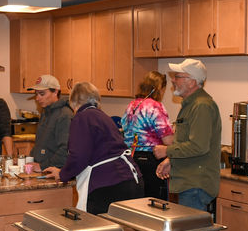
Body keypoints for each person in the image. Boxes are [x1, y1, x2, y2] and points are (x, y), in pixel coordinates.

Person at [44, 81, 144, 215]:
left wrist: (62, 174)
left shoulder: (82, 117)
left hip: (108, 186)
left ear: (73, 101)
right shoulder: (103, 116)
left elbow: (78, 156)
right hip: (131, 180)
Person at [154, 59, 222, 212]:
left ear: (192, 82)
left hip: (195, 185)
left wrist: (167, 151)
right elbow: (187, 141)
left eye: (178, 76)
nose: (173, 80)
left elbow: (198, 146)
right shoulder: (191, 104)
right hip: (189, 183)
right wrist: (171, 160)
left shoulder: (201, 106)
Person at [121, 71, 174, 200]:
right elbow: (168, 140)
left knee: (136, 203)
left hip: (131, 159)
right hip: (152, 161)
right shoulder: (155, 107)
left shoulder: (131, 105)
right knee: (154, 204)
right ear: (159, 89)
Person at [27, 74, 72, 170]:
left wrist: (43, 166)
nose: (37, 98)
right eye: (36, 94)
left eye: (42, 94)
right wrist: (28, 160)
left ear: (55, 92)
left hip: (53, 172)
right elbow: (39, 144)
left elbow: (65, 150)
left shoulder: (64, 115)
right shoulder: (45, 113)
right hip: (42, 171)